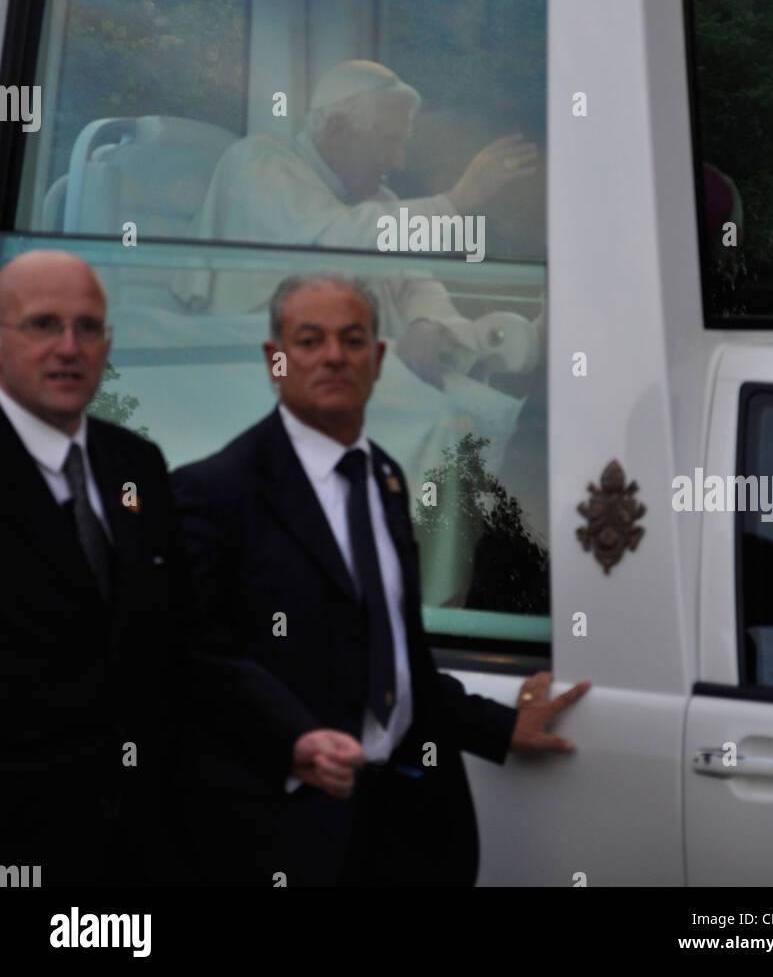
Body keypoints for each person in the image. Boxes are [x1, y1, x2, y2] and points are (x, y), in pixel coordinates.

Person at [171, 271, 589, 887]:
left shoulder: (387, 479)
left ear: (379, 358)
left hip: (403, 825)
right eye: (309, 340)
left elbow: (395, 657)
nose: (333, 356)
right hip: (284, 836)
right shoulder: (213, 493)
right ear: (275, 360)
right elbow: (191, 663)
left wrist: (499, 726)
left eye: (353, 339)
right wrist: (292, 740)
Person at [172, 59, 541, 605]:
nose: (398, 161)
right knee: (447, 422)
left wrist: (425, 324)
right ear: (336, 130)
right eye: (389, 143)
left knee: (491, 416)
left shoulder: (380, 201)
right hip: (260, 363)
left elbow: (419, 282)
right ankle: (425, 601)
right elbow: (328, 243)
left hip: (364, 366)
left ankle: (453, 586)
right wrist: (457, 202)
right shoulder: (258, 163)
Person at [0, 250, 191, 886]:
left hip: (139, 844)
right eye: (42, 325)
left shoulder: (136, 464)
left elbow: (180, 644)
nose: (69, 347)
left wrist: (291, 738)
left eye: (88, 328)